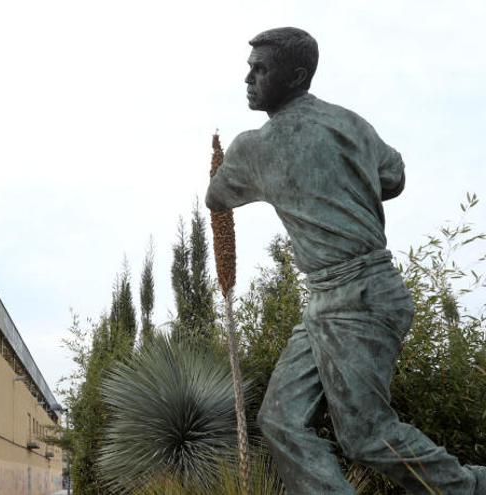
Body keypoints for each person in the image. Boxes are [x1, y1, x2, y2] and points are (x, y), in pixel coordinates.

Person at [206, 27, 486, 494]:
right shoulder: (350, 123)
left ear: (297, 76)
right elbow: (393, 176)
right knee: (280, 420)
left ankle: (468, 488)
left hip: (356, 298)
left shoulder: (253, 148)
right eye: (249, 68)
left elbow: (217, 197)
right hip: (339, 298)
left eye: (260, 69)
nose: (248, 79)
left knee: (367, 435)